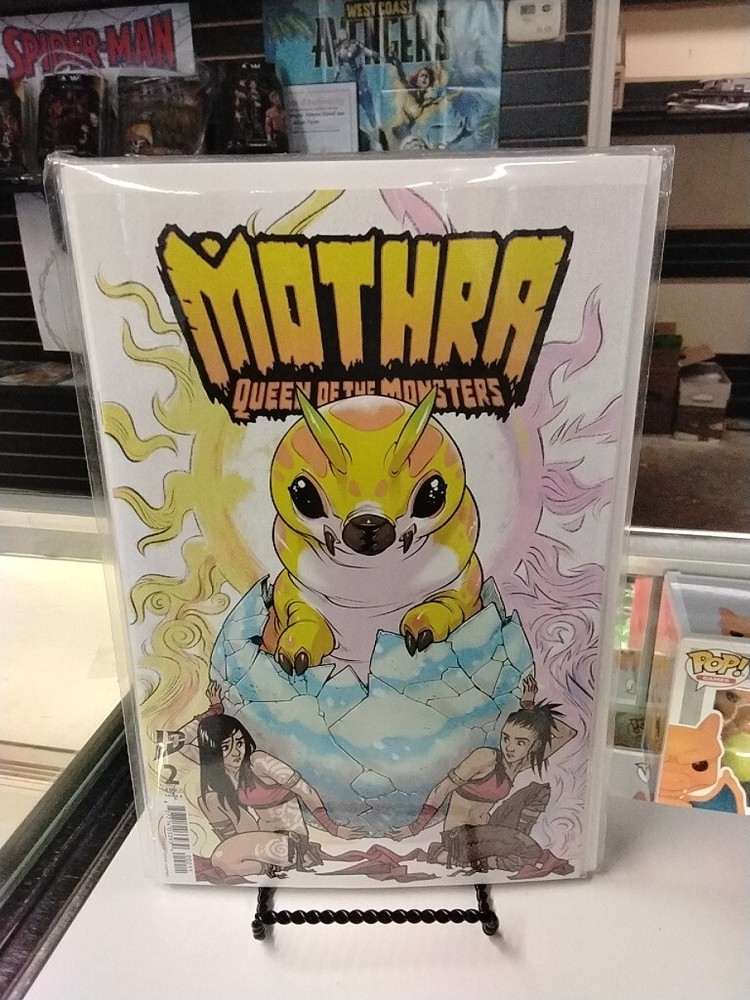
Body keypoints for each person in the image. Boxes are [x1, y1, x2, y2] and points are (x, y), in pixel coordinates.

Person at [391, 676, 577, 878]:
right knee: (528, 851)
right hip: (460, 837)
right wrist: (415, 828)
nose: (510, 747)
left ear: (536, 745)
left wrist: (529, 709)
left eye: (520, 742)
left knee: (538, 791)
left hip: (487, 830)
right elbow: (441, 789)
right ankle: (456, 856)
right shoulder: (486, 757)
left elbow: (568, 733)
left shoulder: (520, 764)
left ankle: (507, 845)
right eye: (506, 738)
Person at [180, 683, 362, 878]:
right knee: (210, 799)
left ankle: (261, 864)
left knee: (222, 859)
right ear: (213, 751)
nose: (236, 752)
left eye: (239, 743)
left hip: (288, 840)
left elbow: (305, 790)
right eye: (225, 747)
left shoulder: (258, 761)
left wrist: (333, 828)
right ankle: (238, 851)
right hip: (258, 835)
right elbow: (176, 742)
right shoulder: (223, 768)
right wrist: (214, 710)